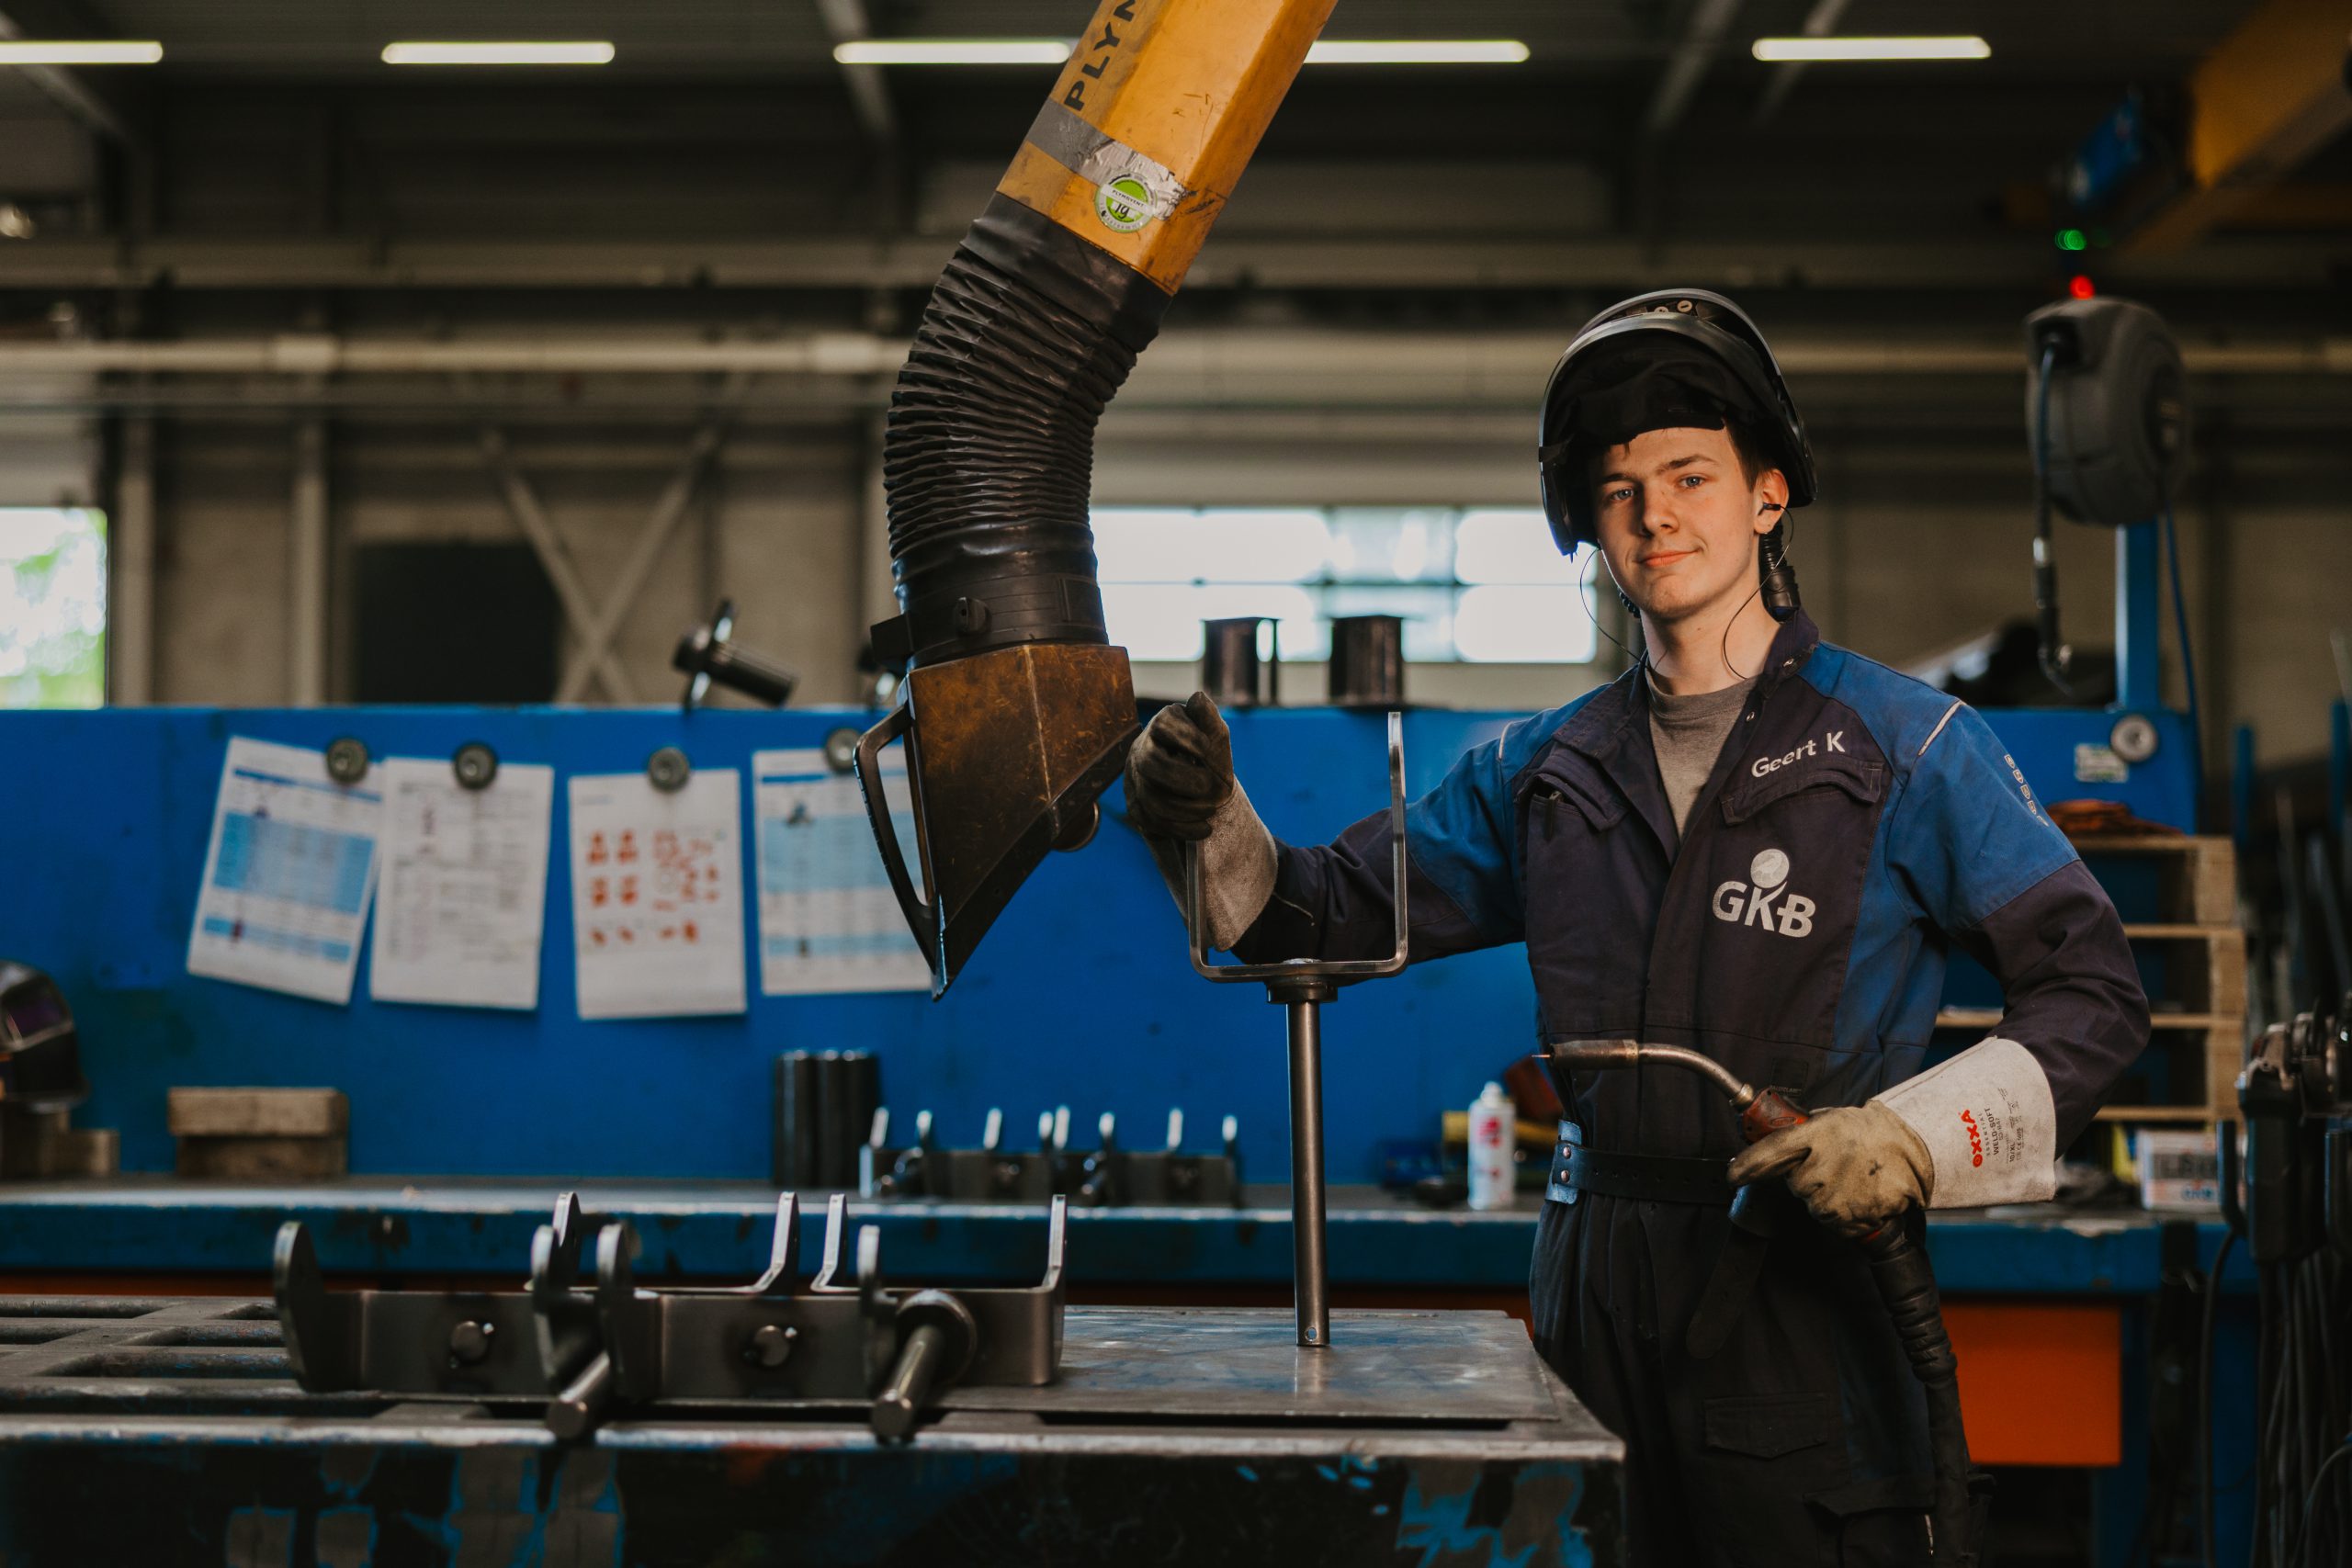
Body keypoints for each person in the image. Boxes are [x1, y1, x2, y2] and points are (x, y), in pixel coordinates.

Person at [1122, 289, 2150, 1565]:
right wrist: (1211, 816)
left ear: (1769, 492)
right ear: (1586, 524)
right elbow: (1305, 921)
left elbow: (2095, 996)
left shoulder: (1907, 748)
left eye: (1690, 474)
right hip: (1591, 1289)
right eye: (1619, 489)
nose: (1656, 514)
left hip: (1800, 1289)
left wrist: (1915, 1137)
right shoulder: (1549, 772)